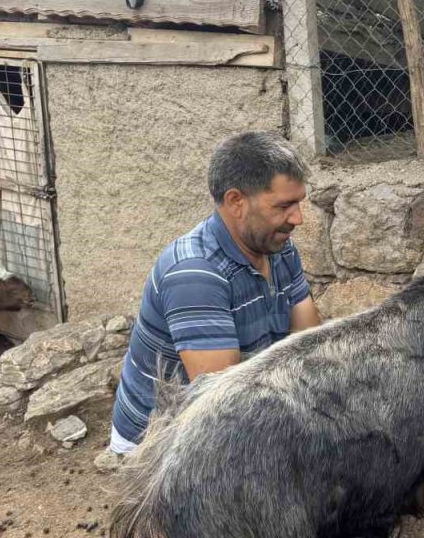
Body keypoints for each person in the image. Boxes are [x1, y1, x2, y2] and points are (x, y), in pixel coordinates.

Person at [108, 131, 322, 454]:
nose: (298, 218)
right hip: (160, 447)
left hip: (233, 408)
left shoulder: (279, 248)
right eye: (284, 206)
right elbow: (225, 411)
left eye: (299, 202)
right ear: (236, 202)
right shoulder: (195, 275)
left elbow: (310, 346)